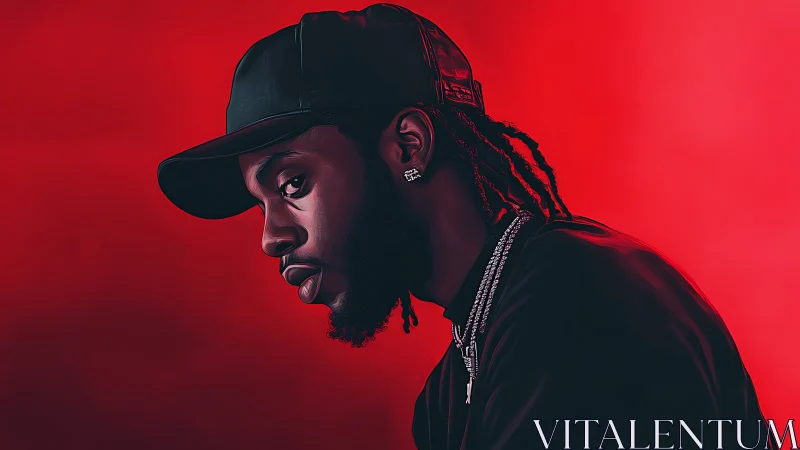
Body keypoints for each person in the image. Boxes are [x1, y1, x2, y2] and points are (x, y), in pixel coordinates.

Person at [157, 4, 774, 449]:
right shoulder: (454, 388)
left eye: (293, 185)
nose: (271, 236)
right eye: (258, 202)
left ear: (407, 146)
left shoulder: (574, 302)